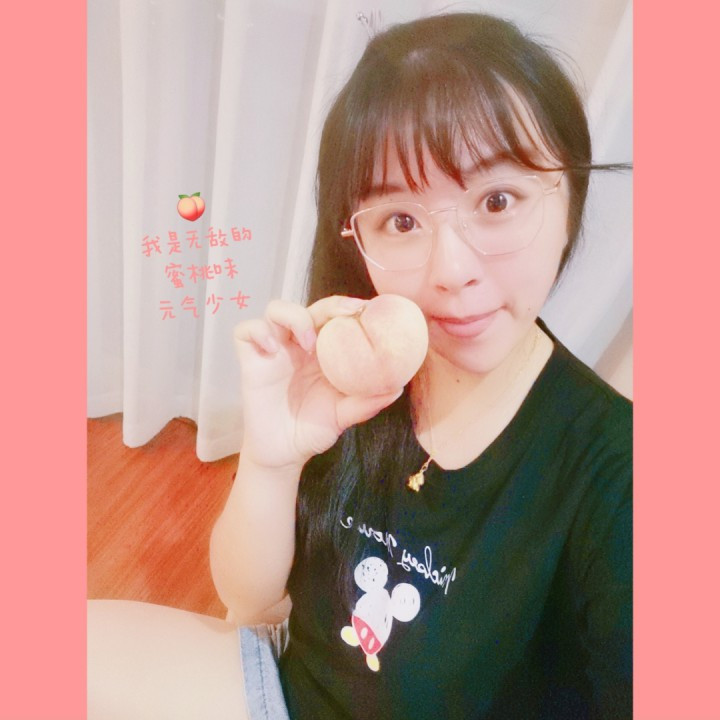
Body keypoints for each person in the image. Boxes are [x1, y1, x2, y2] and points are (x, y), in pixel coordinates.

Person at [88, 12, 631, 720]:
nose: (452, 270)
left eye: (498, 201)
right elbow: (250, 604)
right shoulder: (351, 374)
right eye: (401, 220)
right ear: (357, 236)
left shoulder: (620, 474)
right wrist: (273, 458)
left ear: (568, 201)